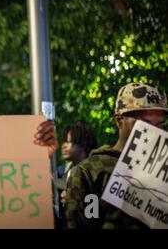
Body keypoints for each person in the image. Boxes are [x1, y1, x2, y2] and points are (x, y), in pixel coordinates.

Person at [65, 83, 167, 229]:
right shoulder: (89, 172)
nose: (154, 132)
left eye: (160, 124)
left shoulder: (164, 170)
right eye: (144, 124)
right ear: (119, 120)